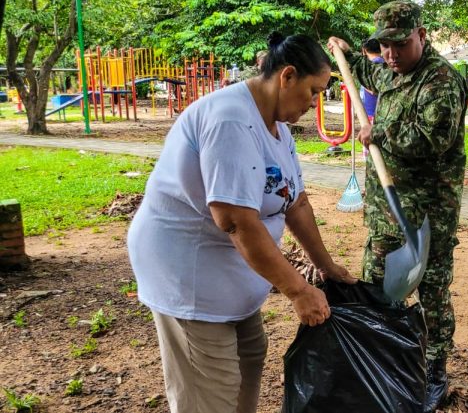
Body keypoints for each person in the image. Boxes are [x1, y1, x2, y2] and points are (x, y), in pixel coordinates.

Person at [127, 32, 355, 413]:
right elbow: (235, 221)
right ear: (287, 76)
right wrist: (299, 292)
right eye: (313, 91)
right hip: (191, 277)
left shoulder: (277, 127)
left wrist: (326, 265)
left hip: (232, 279)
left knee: (250, 358)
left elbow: (294, 201)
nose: (314, 103)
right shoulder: (231, 120)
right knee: (210, 390)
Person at [327, 0, 468, 413]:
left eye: (400, 45)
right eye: (384, 46)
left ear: (422, 35)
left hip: (425, 218)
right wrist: (345, 52)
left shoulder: (441, 80)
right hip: (385, 216)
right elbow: (367, 70)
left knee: (433, 298)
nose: (391, 55)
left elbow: (431, 139)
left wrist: (378, 131)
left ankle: (433, 375)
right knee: (378, 291)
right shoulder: (389, 69)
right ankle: (385, 363)